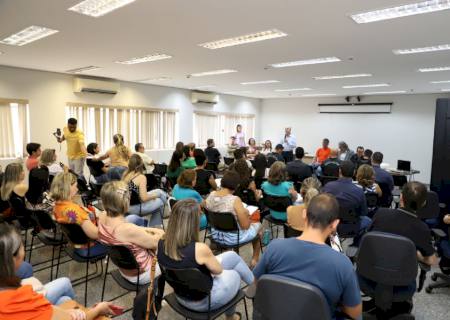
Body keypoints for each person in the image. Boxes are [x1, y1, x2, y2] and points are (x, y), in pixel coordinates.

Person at [253, 194, 362, 319]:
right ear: (334, 224)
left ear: (304, 214)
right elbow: (354, 314)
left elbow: (256, 285)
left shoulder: (274, 247)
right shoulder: (342, 264)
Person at [157, 199, 254, 320]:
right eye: (199, 216)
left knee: (232, 256)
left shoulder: (161, 242)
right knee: (235, 274)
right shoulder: (199, 249)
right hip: (204, 302)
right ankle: (231, 317)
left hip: (180, 296)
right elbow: (218, 271)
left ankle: (256, 285)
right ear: (192, 223)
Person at [0, 222, 116, 320]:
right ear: (14, 257)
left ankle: (74, 308)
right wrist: (99, 309)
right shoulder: (22, 300)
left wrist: (63, 312)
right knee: (67, 294)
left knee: (64, 300)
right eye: (22, 244)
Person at [368, 182, 438, 296]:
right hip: (401, 282)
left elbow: (367, 240)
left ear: (401, 197)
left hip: (370, 274)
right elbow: (432, 261)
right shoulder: (422, 229)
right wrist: (416, 254)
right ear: (424, 203)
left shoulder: (380, 214)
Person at [97, 181, 165, 284]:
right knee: (172, 250)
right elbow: (157, 243)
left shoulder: (102, 216)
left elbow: (134, 231)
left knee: (135, 220)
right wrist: (161, 233)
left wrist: (152, 230)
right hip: (142, 274)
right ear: (125, 201)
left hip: (125, 269)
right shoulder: (126, 229)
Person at [206, 171, 262, 267]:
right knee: (258, 226)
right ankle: (255, 259)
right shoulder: (235, 200)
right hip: (232, 238)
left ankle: (234, 254)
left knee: (235, 226)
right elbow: (245, 226)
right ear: (236, 186)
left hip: (215, 235)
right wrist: (248, 215)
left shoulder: (211, 195)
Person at [51, 172, 107, 257]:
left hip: (74, 245)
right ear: (68, 187)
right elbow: (96, 234)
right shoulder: (74, 212)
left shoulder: (56, 206)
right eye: (75, 186)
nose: (77, 189)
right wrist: (104, 217)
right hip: (89, 247)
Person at [322, 161, 370, 232]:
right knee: (368, 221)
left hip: (330, 225)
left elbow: (321, 207)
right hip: (352, 227)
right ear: (354, 172)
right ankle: (357, 242)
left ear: (339, 171)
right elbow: (363, 212)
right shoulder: (359, 191)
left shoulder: (328, 186)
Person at [122, 154, 167, 227]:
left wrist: (152, 196)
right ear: (141, 164)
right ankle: (155, 226)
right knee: (160, 202)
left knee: (159, 191)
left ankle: (156, 225)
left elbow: (135, 192)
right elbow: (144, 198)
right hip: (135, 207)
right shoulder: (140, 177)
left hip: (127, 206)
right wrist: (153, 197)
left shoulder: (125, 175)